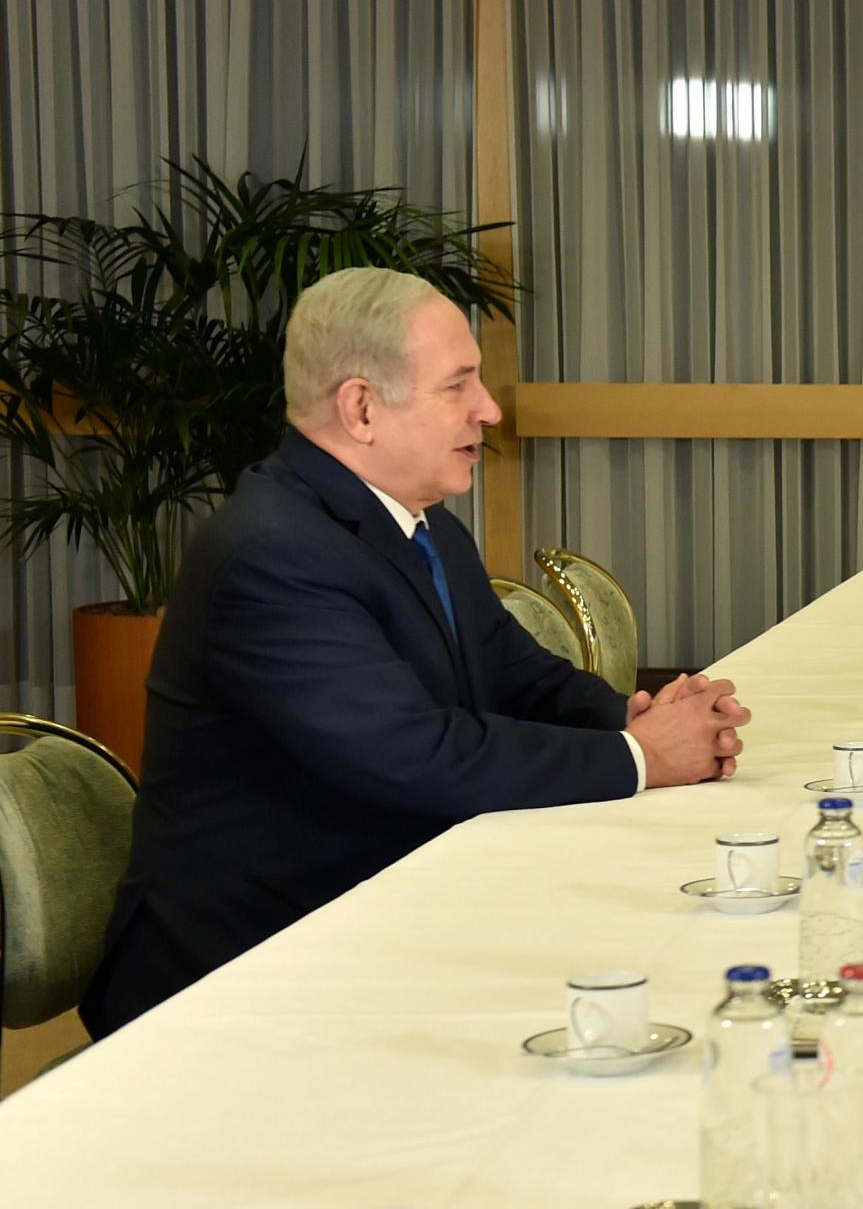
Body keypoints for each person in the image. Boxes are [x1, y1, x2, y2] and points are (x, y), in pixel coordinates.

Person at [81, 268, 752, 1036]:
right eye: (458, 386)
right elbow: (412, 754)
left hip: (383, 904)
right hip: (252, 967)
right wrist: (641, 757)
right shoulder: (271, 553)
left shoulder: (413, 520)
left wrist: (639, 717)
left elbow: (510, 670)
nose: (489, 410)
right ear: (362, 408)